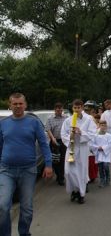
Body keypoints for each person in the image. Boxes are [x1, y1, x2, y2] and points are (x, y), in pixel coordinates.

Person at [0, 93, 53, 236]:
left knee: (27, 208)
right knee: (3, 206)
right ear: (10, 105)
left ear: (25, 105)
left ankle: (24, 233)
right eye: (14, 104)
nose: (17, 106)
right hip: (6, 170)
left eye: (20, 103)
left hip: (28, 170)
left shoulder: (33, 123)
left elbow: (44, 144)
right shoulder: (3, 124)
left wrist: (48, 164)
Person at [61, 99, 97, 204]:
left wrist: (81, 132)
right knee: (68, 172)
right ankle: (74, 190)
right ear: (72, 108)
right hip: (71, 147)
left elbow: (93, 133)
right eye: (75, 108)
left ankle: (81, 194)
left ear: (82, 108)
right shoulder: (68, 120)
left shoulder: (88, 119)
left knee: (81, 172)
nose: (77, 110)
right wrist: (70, 137)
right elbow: (63, 134)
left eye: (79, 107)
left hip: (82, 147)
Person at [45, 102, 67, 186]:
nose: (59, 110)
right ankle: (58, 174)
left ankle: (61, 177)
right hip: (54, 141)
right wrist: (53, 138)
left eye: (61, 108)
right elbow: (48, 129)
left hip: (63, 141)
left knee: (62, 160)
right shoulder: (50, 119)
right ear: (55, 110)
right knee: (55, 160)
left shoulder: (66, 118)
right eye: (57, 109)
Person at [90, 120, 111, 188]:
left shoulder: (109, 135)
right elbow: (92, 143)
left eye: (104, 125)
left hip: (106, 153)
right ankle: (102, 180)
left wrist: (103, 148)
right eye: (101, 125)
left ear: (106, 126)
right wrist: (97, 148)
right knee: (100, 167)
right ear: (99, 126)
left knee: (105, 166)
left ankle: (108, 177)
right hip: (98, 153)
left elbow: (110, 144)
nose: (102, 127)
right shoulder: (95, 135)